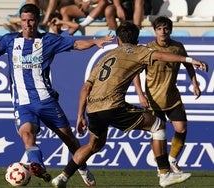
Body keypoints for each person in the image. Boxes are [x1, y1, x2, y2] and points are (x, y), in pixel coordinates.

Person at [0, 3, 113, 186]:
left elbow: (76, 44)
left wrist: (95, 42)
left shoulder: (48, 40)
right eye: (23, 20)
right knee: (27, 135)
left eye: (30, 21)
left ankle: (82, 168)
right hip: (22, 103)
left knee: (69, 139)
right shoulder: (9, 40)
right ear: (20, 21)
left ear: (37, 21)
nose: (26, 24)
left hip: (46, 102)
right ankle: (37, 165)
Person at [51, 21, 208, 188]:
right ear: (136, 38)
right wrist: (189, 59)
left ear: (118, 39)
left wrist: (80, 115)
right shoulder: (138, 50)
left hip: (93, 109)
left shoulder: (106, 57)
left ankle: (62, 177)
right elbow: (161, 56)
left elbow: (85, 88)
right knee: (158, 126)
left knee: (93, 145)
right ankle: (164, 174)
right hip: (113, 106)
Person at [133, 16, 201, 176]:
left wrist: (195, 83)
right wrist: (140, 94)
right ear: (154, 31)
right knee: (158, 135)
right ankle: (161, 166)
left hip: (172, 97)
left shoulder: (178, 47)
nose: (163, 32)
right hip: (153, 100)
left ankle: (172, 159)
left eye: (166, 28)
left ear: (170, 30)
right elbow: (135, 72)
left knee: (181, 129)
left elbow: (189, 65)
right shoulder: (148, 49)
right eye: (159, 29)